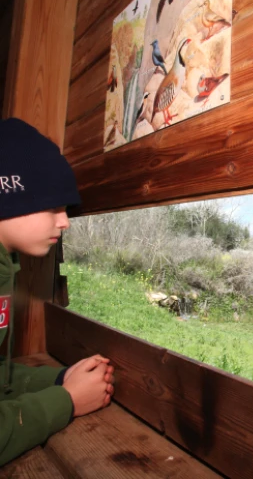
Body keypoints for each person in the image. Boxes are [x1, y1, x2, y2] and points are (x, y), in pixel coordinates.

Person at [0, 118, 115, 466]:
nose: (64, 221)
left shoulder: (6, 268)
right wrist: (65, 400)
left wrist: (60, 377)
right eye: (54, 206)